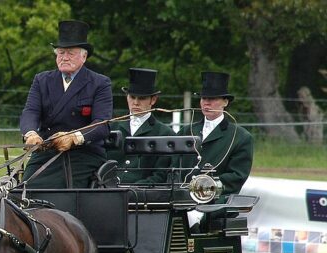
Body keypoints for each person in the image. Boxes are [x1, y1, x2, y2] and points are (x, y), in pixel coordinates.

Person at [19, 20, 113, 188]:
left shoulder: (99, 83)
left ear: (84, 56)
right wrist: (31, 134)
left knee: (62, 191)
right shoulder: (42, 80)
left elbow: (102, 124)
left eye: (70, 53)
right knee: (24, 188)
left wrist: (74, 137)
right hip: (46, 151)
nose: (64, 57)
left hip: (83, 154)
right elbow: (31, 111)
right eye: (61, 52)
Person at [178, 71, 253, 201]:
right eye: (204, 98)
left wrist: (204, 188)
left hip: (215, 202)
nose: (206, 103)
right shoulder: (186, 131)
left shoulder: (241, 137)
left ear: (225, 102)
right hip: (179, 200)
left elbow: (236, 177)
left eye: (212, 99)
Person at [106, 68, 175, 185]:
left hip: (143, 192)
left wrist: (135, 189)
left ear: (153, 100)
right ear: (127, 97)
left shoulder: (165, 133)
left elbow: (160, 174)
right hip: (108, 190)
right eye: (132, 97)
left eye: (142, 98)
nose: (136, 102)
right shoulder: (111, 126)